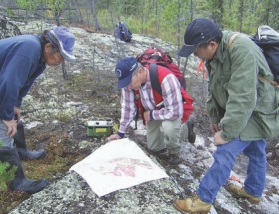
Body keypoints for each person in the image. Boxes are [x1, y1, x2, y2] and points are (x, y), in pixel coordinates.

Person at [173, 18, 279, 213]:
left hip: (258, 109)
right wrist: (214, 116)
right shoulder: (213, 54)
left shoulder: (241, 49)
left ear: (212, 44)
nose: (196, 56)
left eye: (197, 51)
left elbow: (243, 97)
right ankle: (253, 191)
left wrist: (227, 132)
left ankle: (203, 200)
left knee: (226, 149)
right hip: (247, 106)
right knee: (255, 148)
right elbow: (214, 86)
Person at [0, 26, 76, 194]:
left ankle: (21, 151)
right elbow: (8, 83)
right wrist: (6, 116)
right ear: (48, 48)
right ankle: (16, 181)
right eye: (60, 57)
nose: (62, 62)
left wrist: (15, 105)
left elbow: (24, 82)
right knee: (2, 130)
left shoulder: (39, 56)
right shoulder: (28, 50)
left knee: (13, 114)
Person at [105, 57, 195, 165]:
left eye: (129, 81)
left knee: (169, 128)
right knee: (154, 147)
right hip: (155, 112)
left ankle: (177, 146)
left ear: (140, 71)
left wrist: (152, 114)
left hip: (172, 111)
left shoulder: (166, 78)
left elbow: (175, 112)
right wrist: (120, 133)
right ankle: (169, 136)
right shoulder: (129, 85)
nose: (128, 86)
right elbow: (128, 108)